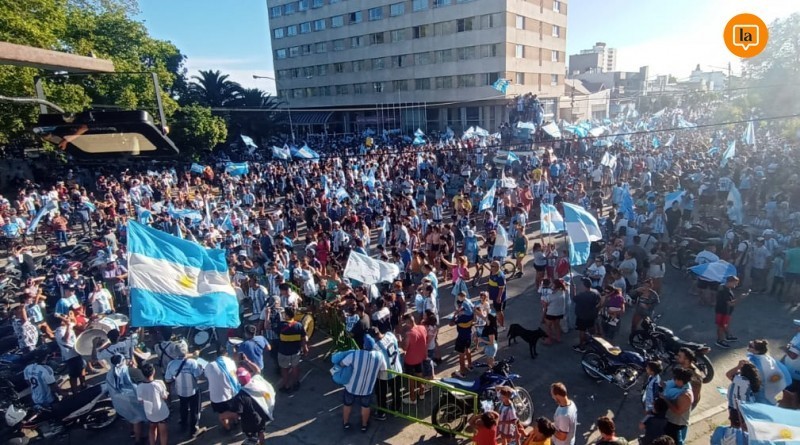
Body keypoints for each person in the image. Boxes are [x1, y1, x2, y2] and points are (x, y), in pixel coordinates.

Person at [337, 345, 387, 432]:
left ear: (363, 345)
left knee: (347, 404)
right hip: (367, 389)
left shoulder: (354, 354)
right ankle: (364, 425)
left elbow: (342, 364)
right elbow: (383, 369)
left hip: (351, 387)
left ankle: (346, 423)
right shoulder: (379, 356)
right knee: (365, 406)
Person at [164, 341, 204, 438]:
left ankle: (183, 424)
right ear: (186, 350)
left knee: (183, 406)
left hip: (180, 391)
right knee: (195, 409)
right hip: (193, 390)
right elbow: (198, 376)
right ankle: (194, 429)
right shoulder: (192, 363)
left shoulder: (171, 364)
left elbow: (168, 379)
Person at [107, 354, 147, 445]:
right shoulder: (132, 371)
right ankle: (138, 440)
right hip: (132, 401)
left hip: (118, 402)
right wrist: (135, 368)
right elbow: (143, 382)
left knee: (127, 417)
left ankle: (132, 432)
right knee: (137, 419)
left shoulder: (110, 374)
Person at [203, 345, 240, 433]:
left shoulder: (210, 365)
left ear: (216, 355)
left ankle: (228, 428)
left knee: (222, 416)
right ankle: (236, 420)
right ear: (226, 353)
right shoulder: (231, 362)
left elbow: (206, 375)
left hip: (217, 397)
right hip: (232, 393)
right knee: (232, 409)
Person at [369, 327, 403, 420]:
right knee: (396, 391)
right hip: (397, 369)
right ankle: (396, 409)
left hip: (384, 374)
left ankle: (382, 413)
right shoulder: (390, 335)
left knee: (381, 393)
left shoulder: (376, 347)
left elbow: (378, 363)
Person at [232, 368, 271, 445]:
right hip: (261, 417)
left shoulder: (239, 397)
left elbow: (238, 413)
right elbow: (257, 371)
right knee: (261, 432)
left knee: (252, 440)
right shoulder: (258, 385)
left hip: (249, 423)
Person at [746, 339, 792, 405]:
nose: (748, 345)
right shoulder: (765, 357)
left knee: (764, 402)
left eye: (750, 346)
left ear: (756, 351)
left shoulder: (756, 362)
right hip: (770, 385)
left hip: (763, 389)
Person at [136, 363, 169, 445]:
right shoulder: (159, 383)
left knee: (152, 428)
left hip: (149, 412)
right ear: (153, 372)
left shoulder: (139, 387)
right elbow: (165, 397)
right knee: (163, 432)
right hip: (160, 411)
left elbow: (140, 401)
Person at [277, 306, 308, 392]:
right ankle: (295, 383)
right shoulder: (299, 325)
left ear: (287, 315)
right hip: (296, 352)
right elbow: (303, 338)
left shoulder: (281, 326)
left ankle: (286, 385)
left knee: (284, 369)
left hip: (283, 352)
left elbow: (268, 327)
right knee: (295, 368)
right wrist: (305, 348)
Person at [662, 367, 694, 445]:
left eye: (675, 379)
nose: (674, 380)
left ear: (680, 381)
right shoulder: (680, 386)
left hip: (676, 424)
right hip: (670, 420)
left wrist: (665, 399)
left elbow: (678, 411)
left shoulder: (685, 395)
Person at [55, 313, 85, 394]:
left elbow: (76, 324)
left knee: (82, 368)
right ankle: (75, 392)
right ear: (62, 321)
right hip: (69, 355)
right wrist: (68, 326)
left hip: (76, 351)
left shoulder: (68, 325)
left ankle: (83, 385)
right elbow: (66, 339)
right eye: (66, 318)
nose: (68, 319)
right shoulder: (59, 331)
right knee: (74, 374)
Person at [724, 360, 760, 428]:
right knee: (744, 425)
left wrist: (738, 366)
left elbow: (728, 374)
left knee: (737, 426)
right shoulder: (750, 380)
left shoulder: (742, 380)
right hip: (745, 406)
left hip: (737, 408)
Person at [401, 313, 427, 404]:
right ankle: (421, 393)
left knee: (411, 380)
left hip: (410, 360)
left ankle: (412, 398)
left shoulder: (409, 334)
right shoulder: (422, 328)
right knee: (420, 376)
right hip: (420, 357)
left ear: (408, 322)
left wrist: (400, 341)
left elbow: (405, 347)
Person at [572, 278, 601, 353]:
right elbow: (599, 301)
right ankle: (593, 343)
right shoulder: (596, 292)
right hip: (592, 315)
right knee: (591, 329)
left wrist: (574, 290)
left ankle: (581, 347)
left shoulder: (582, 295)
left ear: (584, 285)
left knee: (582, 331)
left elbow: (574, 299)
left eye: (581, 284)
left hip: (582, 316)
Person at [715, 276, 741, 349]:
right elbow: (730, 303)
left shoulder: (723, 287)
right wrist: (740, 298)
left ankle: (728, 336)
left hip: (725, 311)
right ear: (730, 282)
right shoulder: (725, 291)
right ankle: (720, 340)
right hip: (723, 311)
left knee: (725, 324)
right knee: (721, 326)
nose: (736, 285)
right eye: (735, 283)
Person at [541, 279, 567, 345]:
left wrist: (543, 317)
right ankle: (558, 338)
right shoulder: (562, 291)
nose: (551, 285)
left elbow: (545, 305)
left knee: (548, 326)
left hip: (551, 313)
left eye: (552, 284)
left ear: (555, 285)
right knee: (557, 325)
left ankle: (548, 340)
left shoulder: (550, 295)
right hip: (560, 313)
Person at [487, 261, 507, 330]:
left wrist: (499, 297)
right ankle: (498, 322)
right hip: (494, 296)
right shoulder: (492, 272)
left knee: (499, 311)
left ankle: (502, 326)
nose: (491, 267)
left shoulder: (500, 276)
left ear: (497, 267)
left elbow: (502, 288)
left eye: (492, 266)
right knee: (497, 310)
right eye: (491, 265)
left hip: (498, 298)